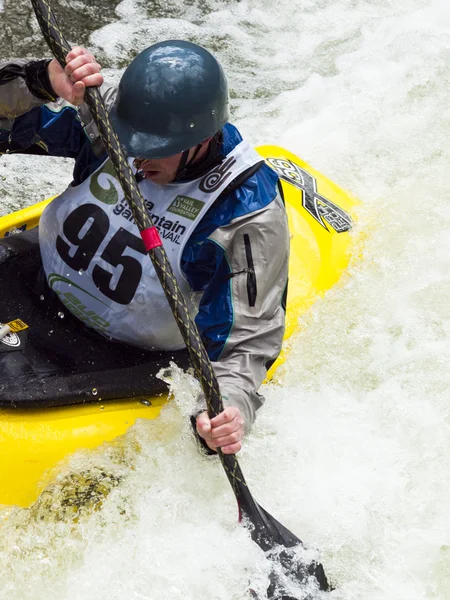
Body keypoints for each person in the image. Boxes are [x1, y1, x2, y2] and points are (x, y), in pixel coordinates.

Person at [0, 41, 289, 455]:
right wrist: (40, 80)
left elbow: (246, 343)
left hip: (120, 359)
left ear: (202, 140)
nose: (135, 158)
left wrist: (228, 409)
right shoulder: (116, 117)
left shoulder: (244, 214)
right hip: (33, 284)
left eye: (154, 149)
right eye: (131, 142)